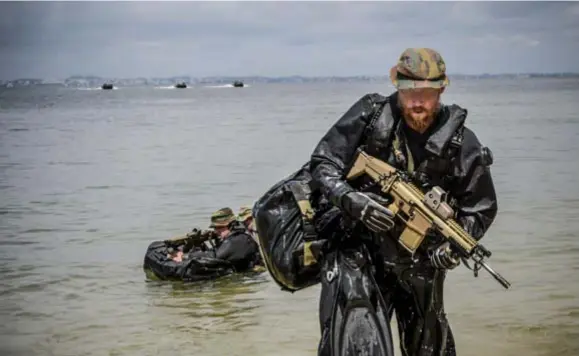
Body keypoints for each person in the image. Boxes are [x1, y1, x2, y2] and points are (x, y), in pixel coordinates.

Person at [309, 48, 498, 355]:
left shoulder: (462, 143)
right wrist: (353, 200)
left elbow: (482, 207)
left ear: (442, 89)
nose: (418, 102)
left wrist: (452, 249)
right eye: (410, 93)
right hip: (359, 253)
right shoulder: (370, 116)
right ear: (397, 86)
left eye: (427, 93)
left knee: (431, 348)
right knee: (354, 344)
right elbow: (323, 163)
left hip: (420, 262)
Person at [204, 207, 263, 272]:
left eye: (219, 227)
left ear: (231, 225)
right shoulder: (237, 237)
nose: (216, 231)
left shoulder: (239, 239)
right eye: (215, 228)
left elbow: (215, 258)